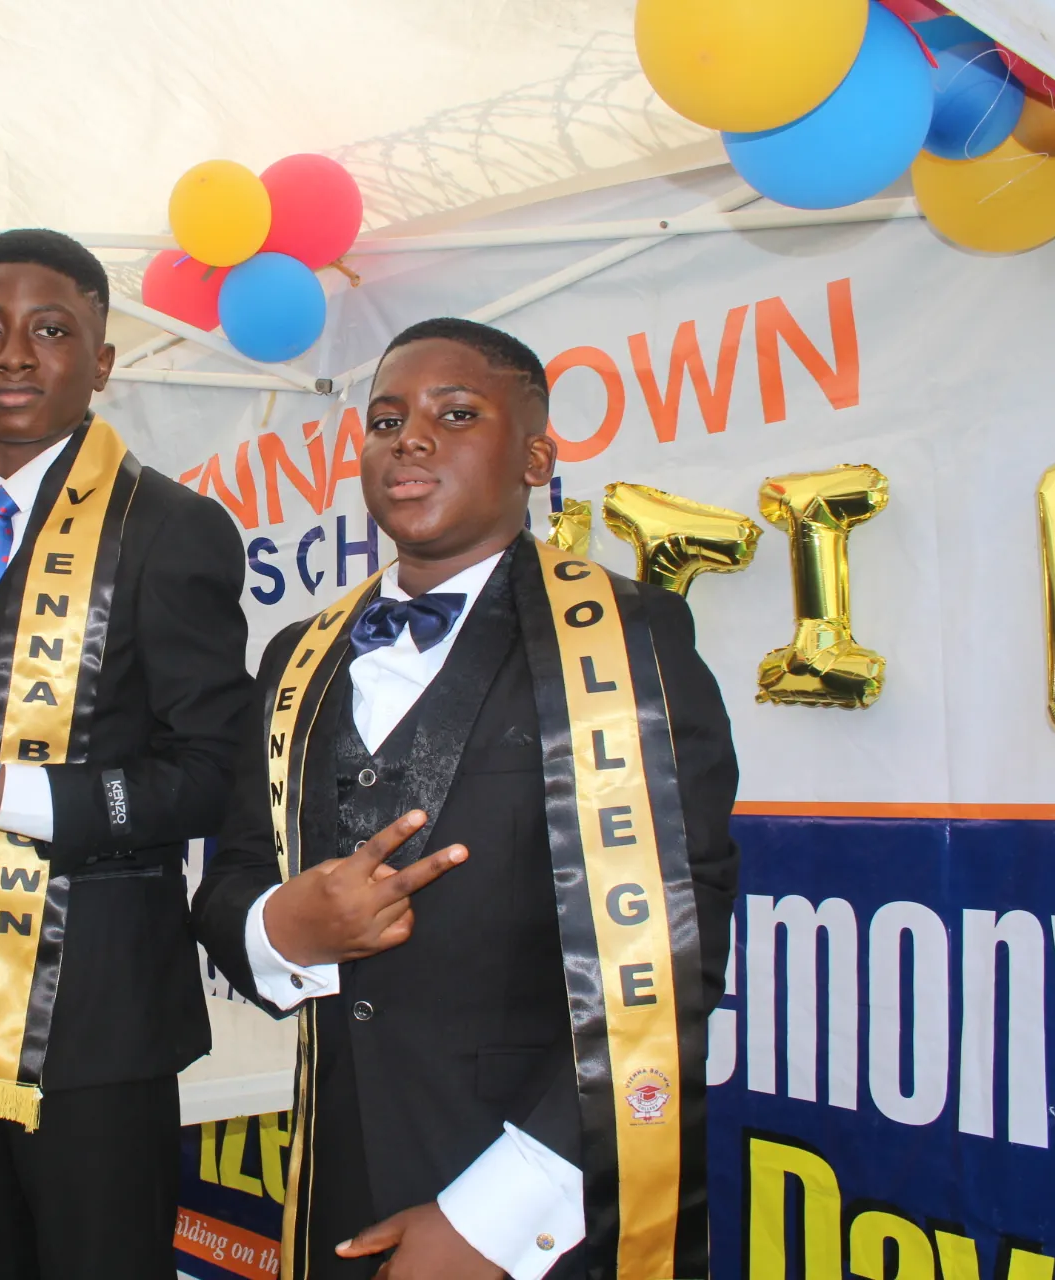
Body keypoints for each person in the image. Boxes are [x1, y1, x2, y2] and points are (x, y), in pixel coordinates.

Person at [193, 318, 739, 1280]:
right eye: (386, 420)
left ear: (535, 459)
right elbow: (232, 876)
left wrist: (495, 1219)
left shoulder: (627, 637)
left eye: (455, 415)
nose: (410, 438)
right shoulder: (296, 655)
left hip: (535, 1199)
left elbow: (671, 952)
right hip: (336, 1175)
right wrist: (285, 928)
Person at [0, 229, 254, 1280]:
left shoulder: (169, 530)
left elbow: (212, 775)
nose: (15, 353)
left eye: (51, 330)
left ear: (101, 362)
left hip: (96, 1021)